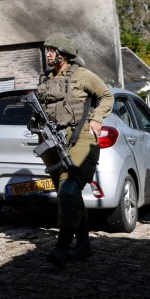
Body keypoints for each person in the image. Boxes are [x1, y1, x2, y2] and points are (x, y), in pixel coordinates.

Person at [35, 33, 114, 269]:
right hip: (52, 140)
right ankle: (84, 244)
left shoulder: (83, 75)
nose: (47, 54)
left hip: (79, 138)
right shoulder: (46, 78)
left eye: (51, 49)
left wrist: (97, 119)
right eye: (46, 49)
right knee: (67, 194)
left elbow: (106, 96)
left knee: (69, 190)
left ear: (63, 54)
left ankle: (62, 248)